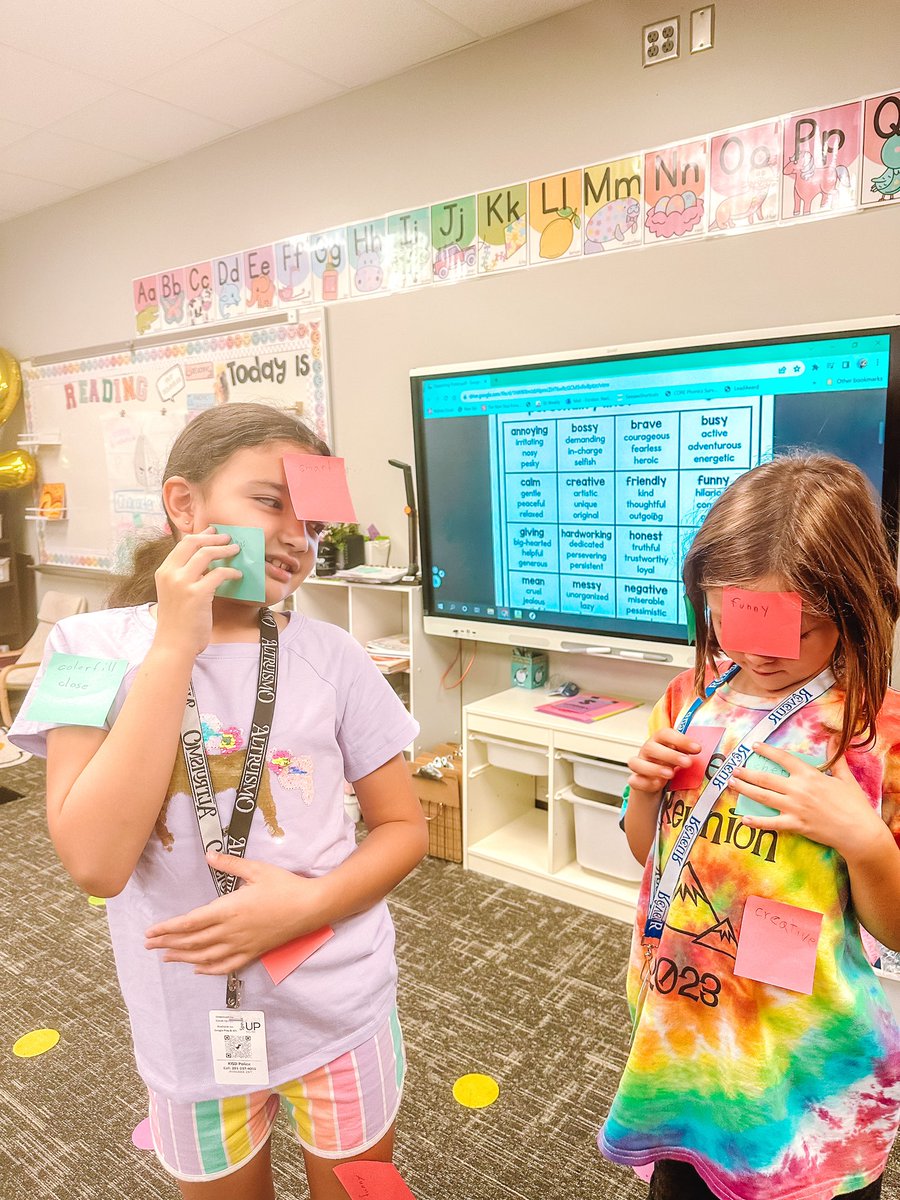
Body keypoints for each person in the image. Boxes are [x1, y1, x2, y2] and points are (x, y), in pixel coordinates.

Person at [9, 402, 428, 1200]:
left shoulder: (334, 656)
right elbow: (96, 863)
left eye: (310, 519)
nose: (297, 537)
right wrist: (174, 645)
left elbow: (403, 826)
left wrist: (307, 906)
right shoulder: (84, 651)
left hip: (340, 1002)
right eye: (271, 502)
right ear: (184, 504)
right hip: (191, 1028)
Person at [599, 453, 900, 1200]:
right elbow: (650, 854)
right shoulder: (690, 700)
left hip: (800, 1069)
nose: (759, 651)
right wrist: (644, 791)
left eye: (793, 628)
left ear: (855, 609)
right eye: (734, 620)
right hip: (687, 1049)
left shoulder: (877, 735)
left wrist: (863, 838)